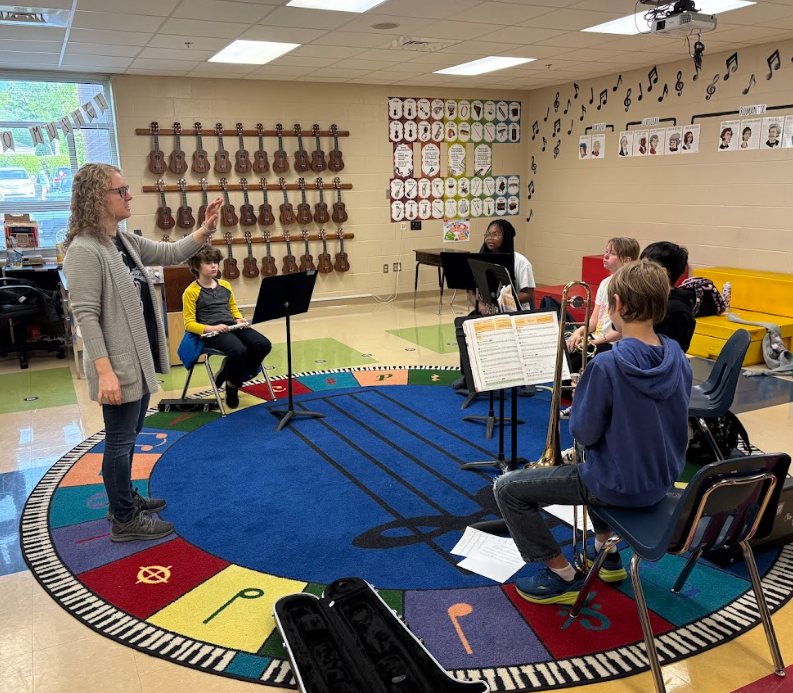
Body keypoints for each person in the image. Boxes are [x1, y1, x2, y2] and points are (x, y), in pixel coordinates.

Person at [494, 260, 693, 605]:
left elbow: (583, 431)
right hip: (661, 483)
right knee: (594, 462)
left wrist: (585, 388)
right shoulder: (678, 358)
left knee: (508, 489)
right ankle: (607, 553)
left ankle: (562, 575)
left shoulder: (606, 365)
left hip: (617, 486)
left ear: (618, 305)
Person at [63, 163, 222, 542]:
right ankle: (124, 519)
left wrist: (206, 228)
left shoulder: (123, 242)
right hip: (116, 365)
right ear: (98, 199)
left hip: (136, 360)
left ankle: (123, 499)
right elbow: (85, 316)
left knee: (130, 435)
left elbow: (171, 252)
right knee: (119, 441)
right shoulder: (84, 251)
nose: (129, 195)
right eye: (122, 190)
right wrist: (105, 372)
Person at [183, 247, 272, 409]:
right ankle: (232, 387)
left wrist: (239, 318)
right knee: (238, 351)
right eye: (208, 263)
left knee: (263, 344)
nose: (214, 266)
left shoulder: (225, 285)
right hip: (211, 332)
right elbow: (189, 323)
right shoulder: (191, 292)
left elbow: (232, 308)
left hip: (231, 326)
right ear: (197, 267)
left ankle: (229, 372)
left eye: (216, 262)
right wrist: (211, 328)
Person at [451, 220, 536, 390]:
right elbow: (471, 292)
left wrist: (504, 301)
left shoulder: (521, 262)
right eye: (488, 234)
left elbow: (529, 294)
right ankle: (468, 376)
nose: (490, 238)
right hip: (488, 310)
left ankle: (527, 380)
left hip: (514, 312)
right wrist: (481, 306)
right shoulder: (477, 260)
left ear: (507, 237)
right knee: (464, 326)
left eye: (496, 234)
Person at [565, 237, 640, 377]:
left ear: (627, 261)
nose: (605, 256)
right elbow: (594, 321)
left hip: (613, 343)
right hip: (598, 338)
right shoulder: (605, 283)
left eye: (612, 253)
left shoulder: (631, 287)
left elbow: (624, 329)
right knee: (566, 357)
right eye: (606, 251)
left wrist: (594, 342)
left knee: (575, 367)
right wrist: (579, 332)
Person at [640, 242, 696, 351]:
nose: (639, 270)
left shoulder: (676, 311)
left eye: (644, 266)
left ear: (662, 272)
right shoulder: (652, 300)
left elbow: (671, 355)